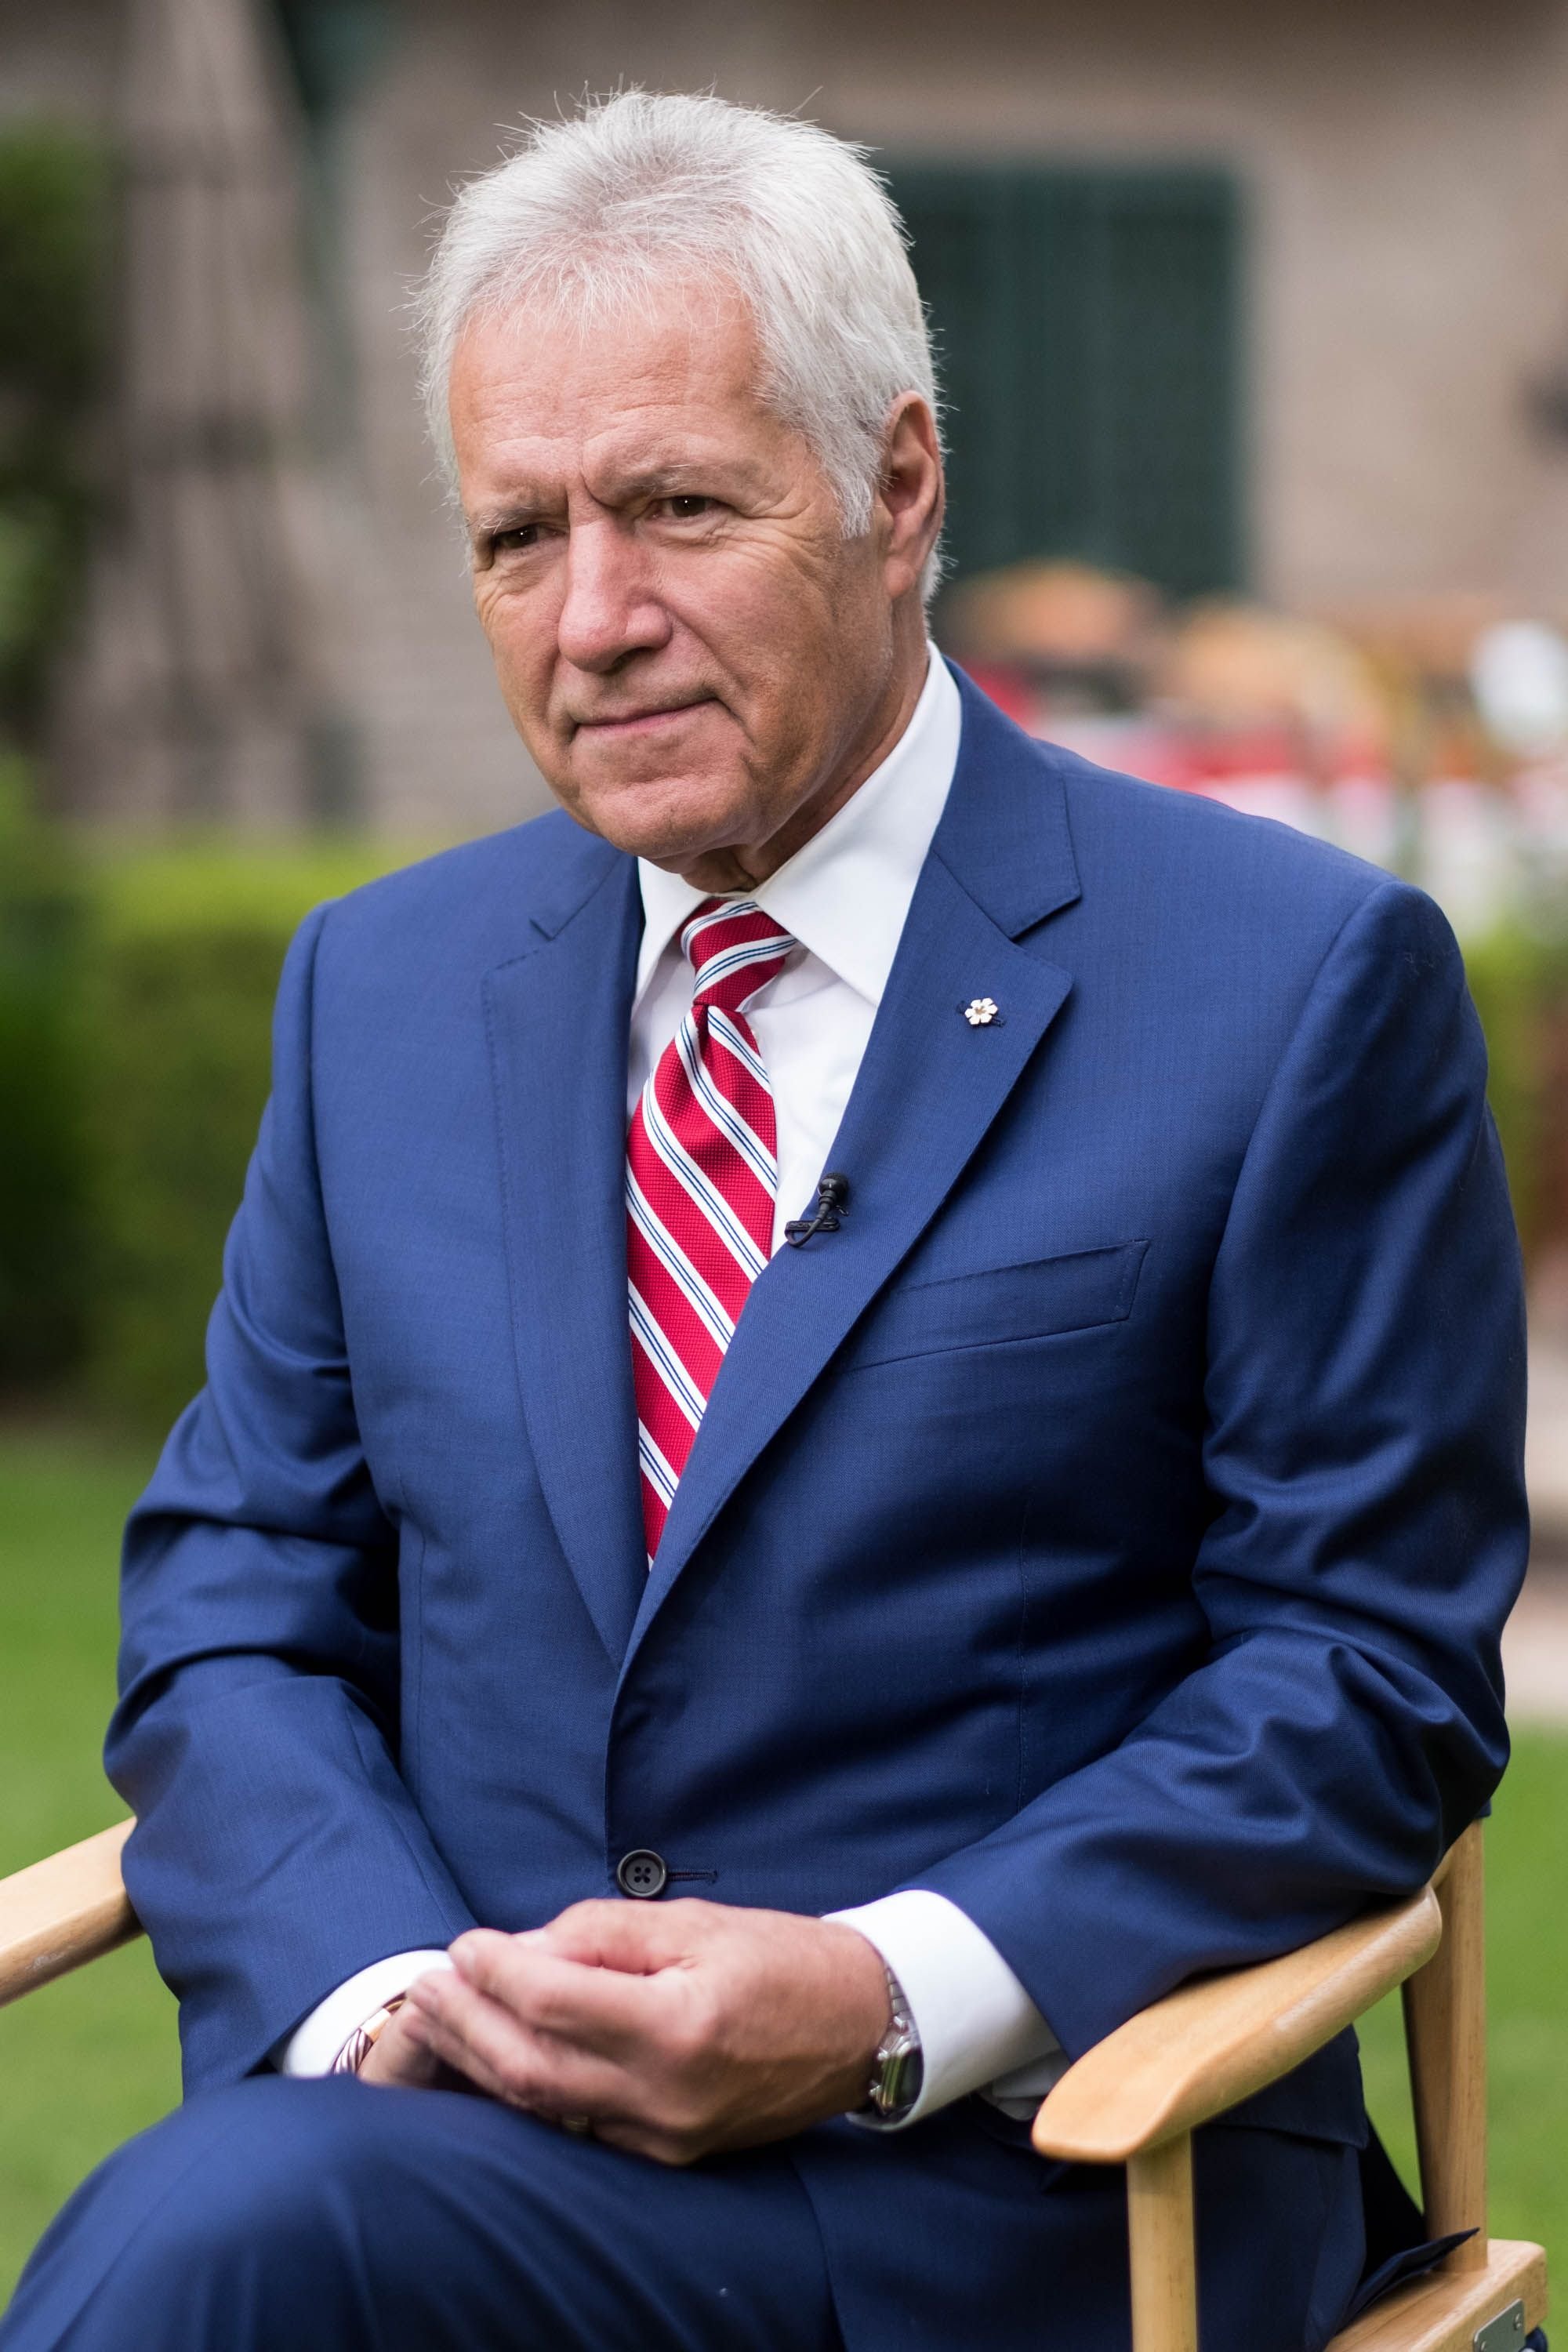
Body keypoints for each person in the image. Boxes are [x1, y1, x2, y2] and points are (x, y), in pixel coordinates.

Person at [0, 91, 1526, 2352]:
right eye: (518, 538)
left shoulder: (1290, 981)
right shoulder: (382, 994)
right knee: (275, 2220)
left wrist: (886, 1993)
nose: (593, 620)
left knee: (225, 2253)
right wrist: (384, 1990)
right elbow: (236, 1600)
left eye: (678, 510)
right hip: (450, 2140)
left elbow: (1366, 1679)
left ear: (899, 483)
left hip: (1037, 2187)